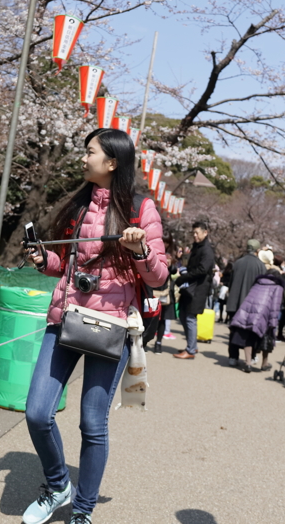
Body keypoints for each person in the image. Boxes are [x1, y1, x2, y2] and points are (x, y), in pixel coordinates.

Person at [22, 128, 168, 524]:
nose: (83, 158)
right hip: (65, 319)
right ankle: (57, 486)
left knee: (92, 422)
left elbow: (159, 278)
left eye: (90, 152)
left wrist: (139, 251)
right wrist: (43, 261)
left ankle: (83, 512)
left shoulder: (141, 209)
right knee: (37, 412)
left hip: (112, 328)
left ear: (112, 162)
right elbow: (66, 264)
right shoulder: (78, 205)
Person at [172, 220, 214, 360]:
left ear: (205, 233)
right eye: (193, 232)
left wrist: (184, 278)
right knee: (184, 316)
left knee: (190, 318)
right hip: (191, 288)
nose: (195, 235)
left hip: (198, 289)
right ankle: (192, 345)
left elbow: (202, 270)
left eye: (197, 232)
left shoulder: (207, 249)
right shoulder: (197, 247)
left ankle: (190, 350)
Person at [228, 270, 284, 373]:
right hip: (263, 315)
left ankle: (248, 363)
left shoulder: (258, 283)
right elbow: (275, 307)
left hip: (247, 313)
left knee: (248, 337)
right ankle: (264, 363)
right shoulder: (278, 287)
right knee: (267, 338)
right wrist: (273, 323)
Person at [224, 239, 266, 366]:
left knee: (233, 331)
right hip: (252, 305)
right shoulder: (260, 266)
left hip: (235, 303)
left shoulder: (237, 263)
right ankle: (251, 357)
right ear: (257, 250)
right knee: (251, 332)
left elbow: (231, 283)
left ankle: (233, 357)